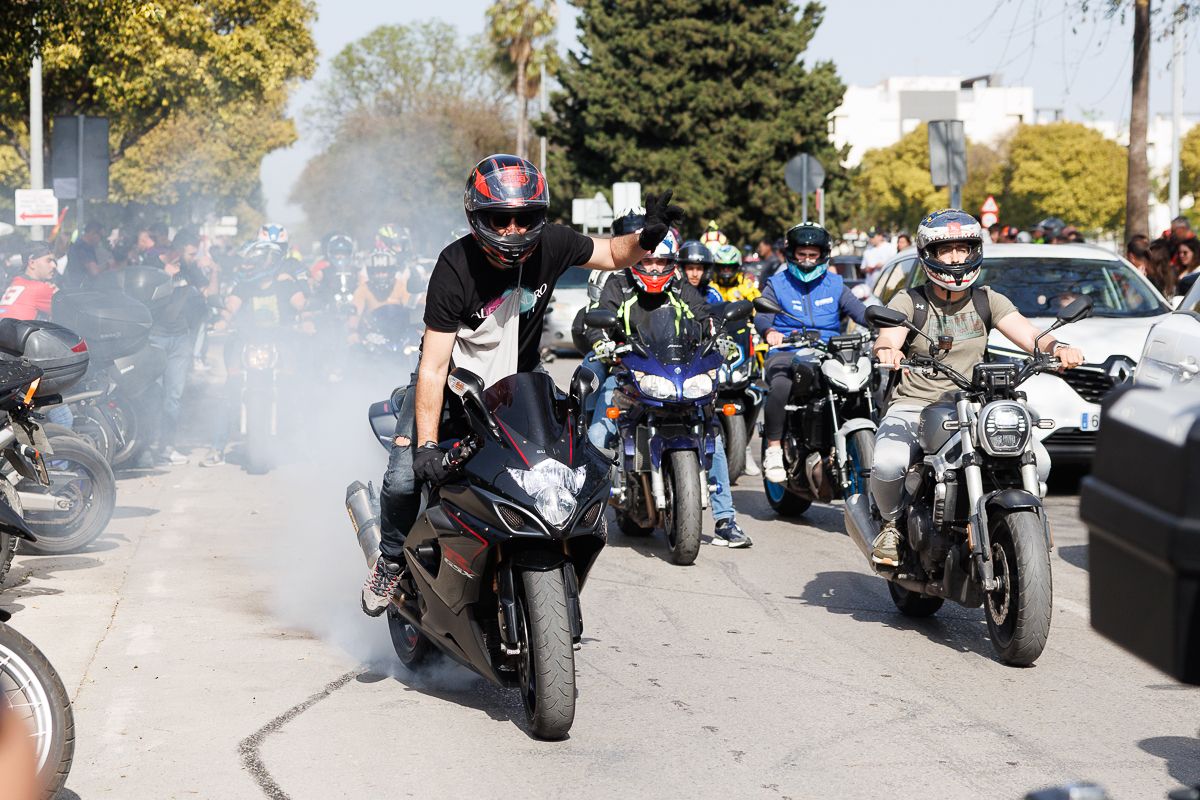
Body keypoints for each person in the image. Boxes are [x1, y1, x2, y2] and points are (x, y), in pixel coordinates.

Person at [362, 154, 684, 614]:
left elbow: (613, 253)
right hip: (451, 384)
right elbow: (433, 367)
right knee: (400, 477)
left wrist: (646, 240)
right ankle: (390, 562)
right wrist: (428, 446)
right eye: (501, 218)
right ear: (478, 217)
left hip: (517, 389)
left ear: (540, 216)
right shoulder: (453, 267)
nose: (513, 229)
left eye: (524, 218)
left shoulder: (552, 244)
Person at [868, 209, 1085, 565]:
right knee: (889, 462)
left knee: (1039, 460)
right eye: (945, 250)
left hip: (974, 403)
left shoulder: (987, 299)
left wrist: (1057, 349)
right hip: (916, 403)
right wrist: (889, 350)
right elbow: (889, 335)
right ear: (928, 254)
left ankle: (1021, 525)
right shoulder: (911, 301)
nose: (955, 258)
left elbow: (1030, 335)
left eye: (963, 248)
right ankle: (891, 525)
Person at [584, 238, 751, 548]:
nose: (654, 268)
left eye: (661, 262)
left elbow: (706, 317)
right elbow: (596, 320)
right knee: (598, 433)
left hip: (675, 374)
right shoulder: (618, 285)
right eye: (648, 261)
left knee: (708, 432)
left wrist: (722, 339)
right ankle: (584, 512)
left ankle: (727, 519)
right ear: (636, 261)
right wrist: (604, 344)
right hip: (629, 372)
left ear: (672, 262)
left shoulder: (680, 288)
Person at [755, 222, 869, 484]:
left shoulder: (835, 284)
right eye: (802, 254)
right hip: (787, 349)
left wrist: (882, 325)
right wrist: (770, 332)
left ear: (822, 255)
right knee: (781, 384)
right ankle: (773, 448)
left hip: (829, 350)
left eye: (812, 255)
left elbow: (860, 312)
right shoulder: (777, 284)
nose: (806, 261)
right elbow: (762, 317)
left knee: (863, 384)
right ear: (792, 254)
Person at [201, 240, 307, 467]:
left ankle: (301, 446)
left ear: (268, 263)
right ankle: (217, 448)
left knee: (296, 389)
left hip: (280, 343)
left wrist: (308, 319)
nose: (248, 266)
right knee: (230, 391)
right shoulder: (243, 286)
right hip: (248, 343)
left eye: (253, 262)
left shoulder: (287, 285)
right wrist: (222, 320)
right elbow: (230, 308)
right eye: (248, 263)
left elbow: (302, 305)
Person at [147, 236, 209, 466]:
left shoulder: (190, 270)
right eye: (191, 253)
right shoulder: (153, 265)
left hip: (180, 339)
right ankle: (144, 446)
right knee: (153, 393)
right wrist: (166, 275)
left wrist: (212, 272)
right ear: (178, 250)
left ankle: (167, 447)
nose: (194, 258)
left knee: (173, 396)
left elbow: (204, 294)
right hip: (156, 337)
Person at [348, 249, 407, 336]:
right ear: (370, 273)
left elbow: (412, 306)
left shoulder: (400, 286)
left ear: (392, 272)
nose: (381, 276)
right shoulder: (362, 289)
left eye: (384, 271)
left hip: (399, 335)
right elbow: (355, 315)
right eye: (377, 272)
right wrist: (353, 334)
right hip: (372, 337)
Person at [0, 243, 58, 320]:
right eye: (49, 261)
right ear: (32, 263)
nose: (54, 265)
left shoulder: (13, 283)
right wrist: (57, 292)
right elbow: (69, 312)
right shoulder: (41, 288)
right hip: (17, 331)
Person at [63, 221, 106, 288]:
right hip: (81, 290)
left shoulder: (79, 245)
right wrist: (109, 265)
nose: (100, 240)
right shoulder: (83, 248)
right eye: (101, 236)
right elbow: (94, 271)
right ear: (92, 233)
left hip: (76, 288)